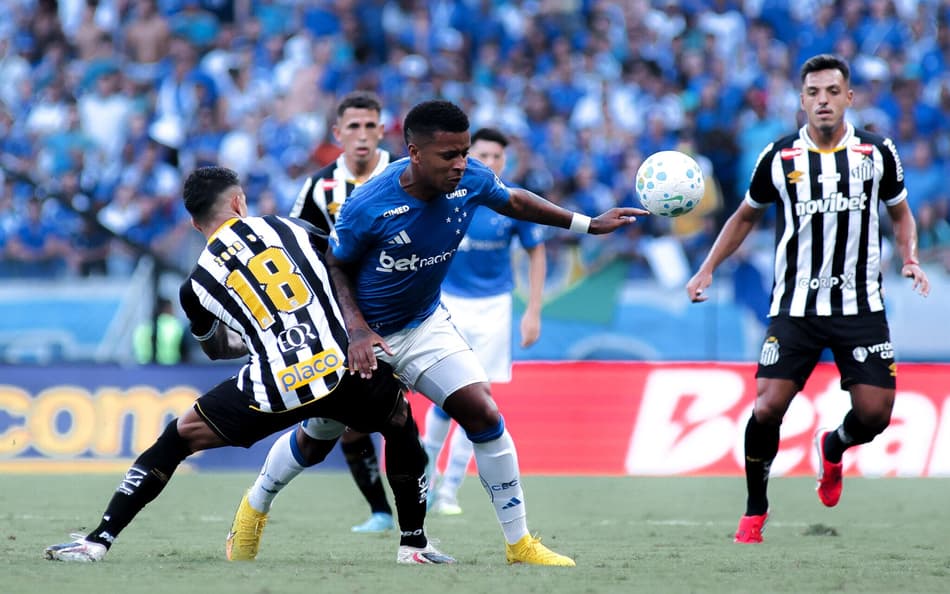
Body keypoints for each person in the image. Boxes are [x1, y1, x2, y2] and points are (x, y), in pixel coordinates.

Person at [228, 99, 647, 567]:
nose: (462, 164)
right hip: (363, 338)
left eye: (465, 152)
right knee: (318, 437)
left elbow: (513, 200)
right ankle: (255, 505)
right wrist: (358, 332)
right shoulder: (367, 205)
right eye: (450, 155)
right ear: (414, 153)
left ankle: (520, 543)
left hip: (424, 325)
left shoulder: (469, 180)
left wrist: (587, 224)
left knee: (483, 413)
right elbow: (337, 267)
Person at [45, 166, 454, 565]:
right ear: (239, 202)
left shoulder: (196, 284)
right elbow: (346, 269)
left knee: (177, 438)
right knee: (399, 422)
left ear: (193, 223)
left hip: (275, 383)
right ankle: (413, 544)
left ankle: (98, 540)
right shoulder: (289, 228)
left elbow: (217, 349)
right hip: (344, 365)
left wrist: (256, 335)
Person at [685, 54, 931, 545]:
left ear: (849, 97)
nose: (823, 101)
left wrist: (910, 256)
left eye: (832, 92)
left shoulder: (876, 153)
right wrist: (707, 267)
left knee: (875, 414)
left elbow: (901, 214)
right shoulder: (779, 158)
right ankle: (755, 509)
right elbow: (744, 217)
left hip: (860, 306)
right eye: (814, 93)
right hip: (795, 306)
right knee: (765, 407)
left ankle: (834, 446)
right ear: (802, 101)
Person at [283, 90, 397, 534]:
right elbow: (297, 240)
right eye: (354, 127)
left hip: (403, 313)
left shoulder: (404, 174)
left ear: (382, 130)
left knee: (399, 416)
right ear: (338, 133)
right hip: (344, 319)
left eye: (370, 126)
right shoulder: (320, 186)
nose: (363, 136)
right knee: (351, 419)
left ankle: (420, 500)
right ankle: (381, 512)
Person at [421, 127, 546, 516]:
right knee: (447, 397)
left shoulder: (511, 201)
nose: (489, 163)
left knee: (479, 399)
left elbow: (536, 253)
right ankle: (423, 478)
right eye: (483, 156)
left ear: (504, 161)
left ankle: (449, 489)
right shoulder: (448, 194)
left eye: (497, 157)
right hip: (449, 303)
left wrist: (533, 311)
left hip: (494, 308)